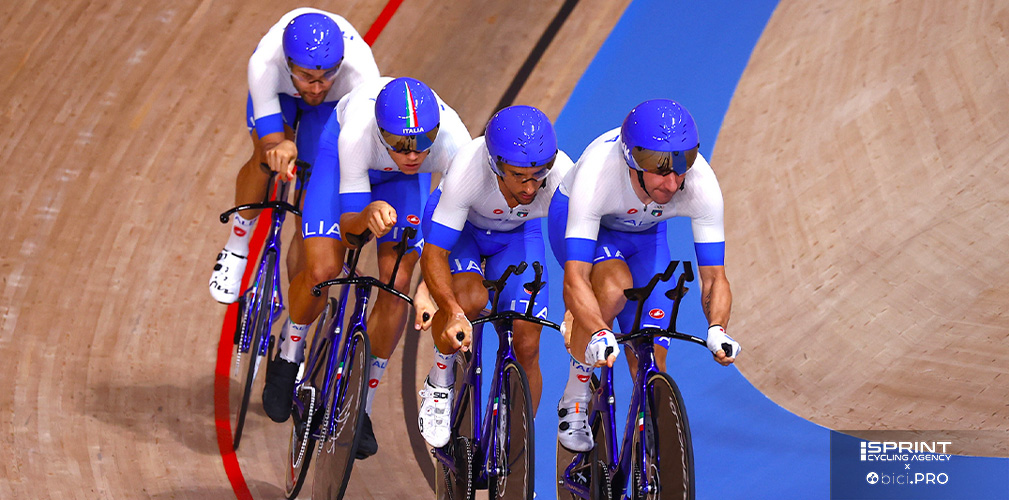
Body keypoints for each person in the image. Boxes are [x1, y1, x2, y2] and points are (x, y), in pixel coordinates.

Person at [262, 76, 471, 459]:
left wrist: (431, 281)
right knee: (324, 271)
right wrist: (368, 215)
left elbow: (451, 227)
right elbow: (349, 229)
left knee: (398, 284)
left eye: (423, 143)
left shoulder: (455, 143)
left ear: (437, 132)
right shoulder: (357, 133)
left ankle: (362, 404)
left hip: (401, 187)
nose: (413, 155)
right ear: (381, 133)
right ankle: (291, 349)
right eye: (401, 145)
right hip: (341, 165)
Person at [548, 99, 741, 452]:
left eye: (682, 166)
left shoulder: (700, 183)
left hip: (647, 235)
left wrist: (717, 328)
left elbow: (714, 277)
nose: (672, 183)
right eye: (660, 170)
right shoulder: (598, 175)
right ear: (632, 162)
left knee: (652, 356)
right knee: (613, 287)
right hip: (590, 227)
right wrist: (597, 330)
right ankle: (575, 396)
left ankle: (645, 460)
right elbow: (574, 277)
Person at [415, 106, 574, 448]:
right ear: (496, 166)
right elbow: (435, 253)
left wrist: (577, 306)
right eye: (520, 176)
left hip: (517, 235)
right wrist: (452, 310)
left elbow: (576, 248)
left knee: (528, 341)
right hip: (464, 233)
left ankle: (515, 443)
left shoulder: (562, 175)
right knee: (470, 299)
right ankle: (440, 382)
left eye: (539, 175)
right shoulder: (468, 171)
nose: (532, 188)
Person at [208, 8, 379, 303]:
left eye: (327, 76)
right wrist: (281, 146)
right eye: (307, 77)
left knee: (310, 204)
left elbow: (355, 150)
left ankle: (296, 312)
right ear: (288, 65)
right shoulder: (265, 63)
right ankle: (238, 243)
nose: (316, 86)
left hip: (335, 106)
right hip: (282, 95)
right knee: (266, 154)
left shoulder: (361, 74)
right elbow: (273, 138)